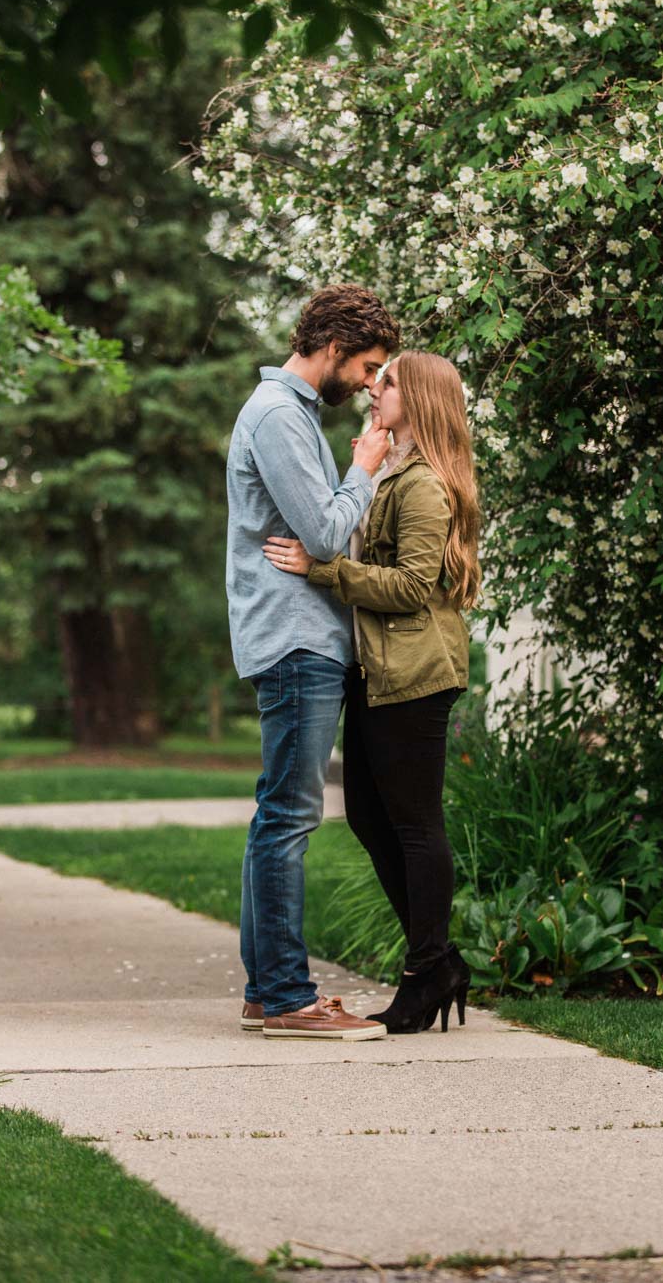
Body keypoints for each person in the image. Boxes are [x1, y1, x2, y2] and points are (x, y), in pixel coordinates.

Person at [263, 350, 481, 1034]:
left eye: (384, 383)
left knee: (414, 824)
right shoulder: (394, 470)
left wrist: (325, 569)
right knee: (366, 816)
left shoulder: (424, 484)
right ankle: (437, 960)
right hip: (379, 670)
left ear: (414, 397)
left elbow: (414, 588)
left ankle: (427, 970)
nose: (371, 389)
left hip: (414, 673)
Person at [226, 284, 400, 1040]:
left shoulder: (289, 415)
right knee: (289, 818)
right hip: (297, 640)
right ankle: (290, 998)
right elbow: (328, 535)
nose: (369, 384)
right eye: (366, 367)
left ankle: (268, 991)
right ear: (332, 349)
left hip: (302, 635)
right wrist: (365, 463)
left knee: (278, 815)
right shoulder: (277, 417)